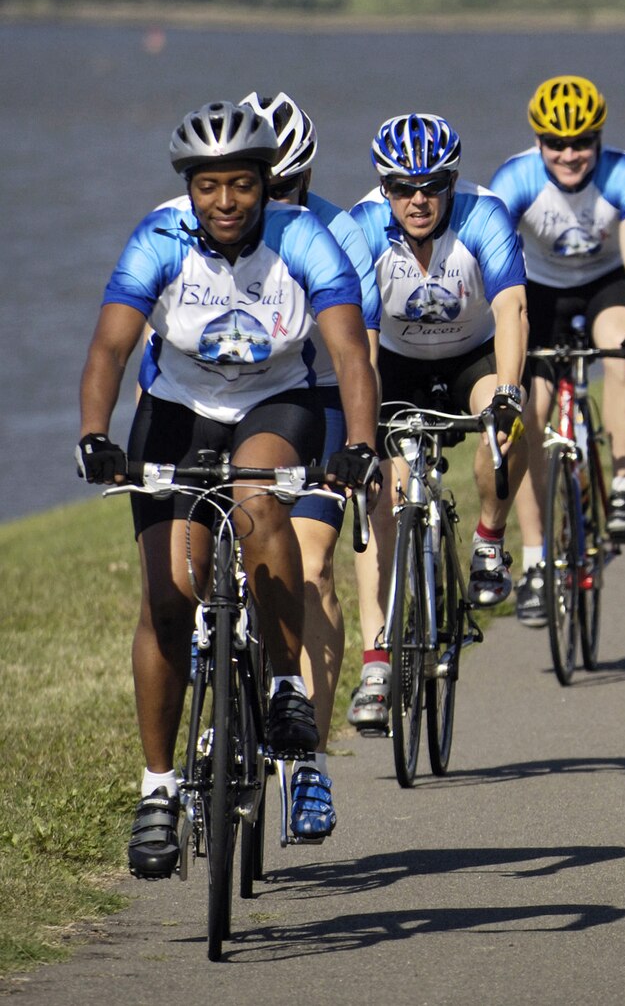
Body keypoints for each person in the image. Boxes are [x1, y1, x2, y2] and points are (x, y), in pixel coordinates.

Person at [77, 101, 379, 876]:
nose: (224, 202)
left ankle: (284, 688)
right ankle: (157, 791)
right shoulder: (159, 236)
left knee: (257, 500)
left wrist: (359, 444)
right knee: (170, 600)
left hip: (278, 400)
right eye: (208, 185)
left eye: (240, 184)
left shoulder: (301, 237)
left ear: (264, 183)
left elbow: (349, 355)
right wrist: (94, 435)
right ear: (190, 187)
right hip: (178, 412)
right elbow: (111, 345)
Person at [233, 93, 382, 815]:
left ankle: (310, 764)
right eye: (261, 185)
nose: (272, 203)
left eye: (286, 187)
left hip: (315, 397)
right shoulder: (204, 225)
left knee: (314, 566)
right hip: (228, 402)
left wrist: (362, 441)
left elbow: (360, 352)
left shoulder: (336, 234)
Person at [349, 115, 527, 682]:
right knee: (387, 491)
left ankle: (490, 541)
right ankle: (381, 652)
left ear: (453, 181)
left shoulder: (484, 214)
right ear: (385, 188)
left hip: (470, 355)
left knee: (508, 427)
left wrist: (507, 393)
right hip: (396, 363)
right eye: (403, 187)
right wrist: (363, 424)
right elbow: (362, 342)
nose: (418, 199)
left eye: (432, 184)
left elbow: (512, 309)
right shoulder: (363, 227)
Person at [490, 77, 625, 599]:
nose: (570, 155)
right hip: (539, 291)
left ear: (598, 139)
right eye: (556, 144)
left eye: (582, 142)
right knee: (530, 410)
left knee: (619, 350)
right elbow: (494, 263)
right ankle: (537, 558)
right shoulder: (515, 179)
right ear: (538, 142)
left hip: (602, 285)